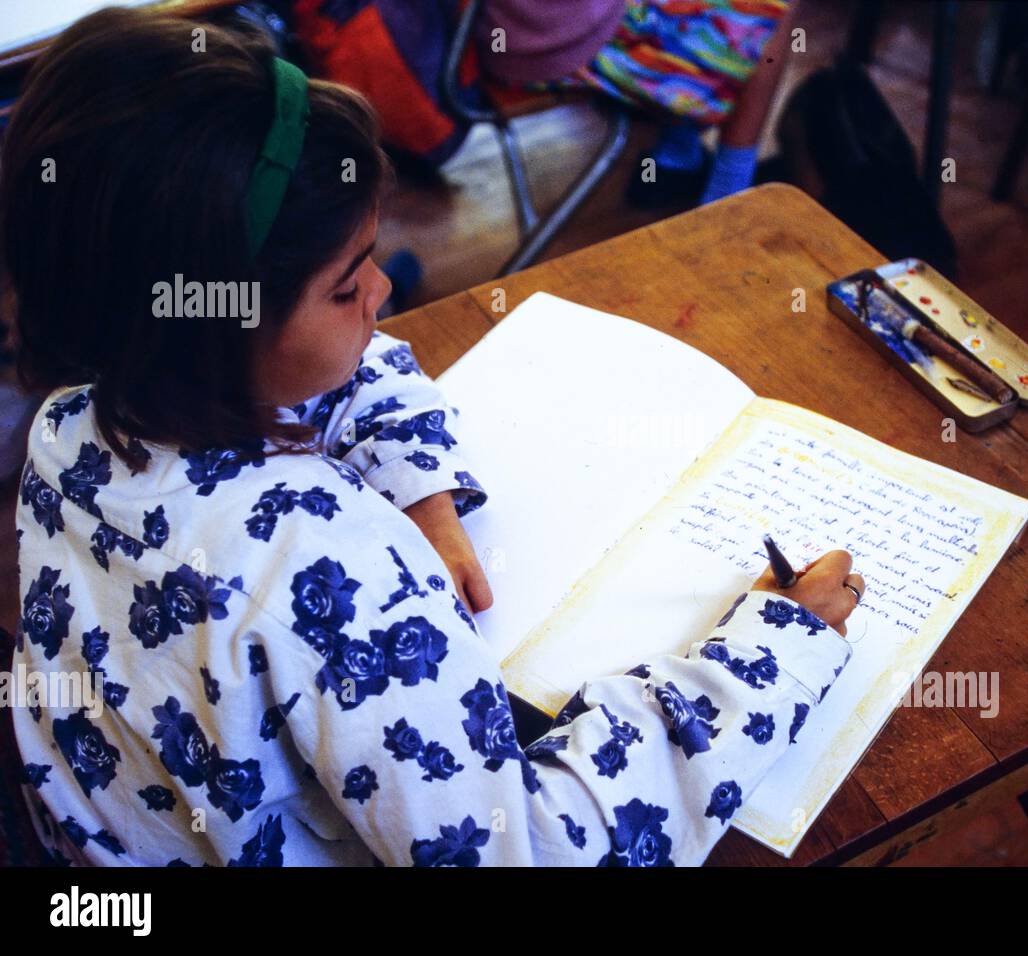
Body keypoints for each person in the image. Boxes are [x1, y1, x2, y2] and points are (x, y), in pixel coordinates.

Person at [1, 6, 862, 866]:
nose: (381, 293)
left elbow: (354, 367)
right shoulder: (327, 569)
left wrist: (425, 492)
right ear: (215, 327)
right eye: (346, 287)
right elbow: (532, 854)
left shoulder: (77, 416)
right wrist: (773, 652)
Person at [476, 0, 802, 206]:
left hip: (517, 26)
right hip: (545, 35)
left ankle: (678, 156)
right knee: (772, 12)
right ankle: (725, 202)